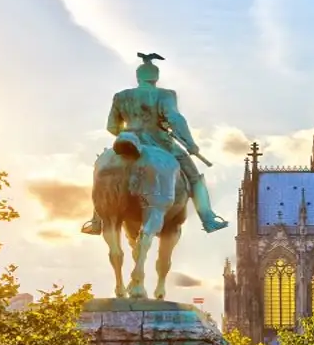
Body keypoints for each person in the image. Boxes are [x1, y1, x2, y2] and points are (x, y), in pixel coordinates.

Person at [80, 53, 229, 235]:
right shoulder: (166, 95)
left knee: (101, 173)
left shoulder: (121, 96)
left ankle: (96, 222)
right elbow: (175, 118)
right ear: (156, 77)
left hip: (129, 142)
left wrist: (129, 133)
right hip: (160, 142)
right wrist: (190, 144)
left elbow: (111, 126)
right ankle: (208, 219)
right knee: (195, 178)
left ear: (138, 77)